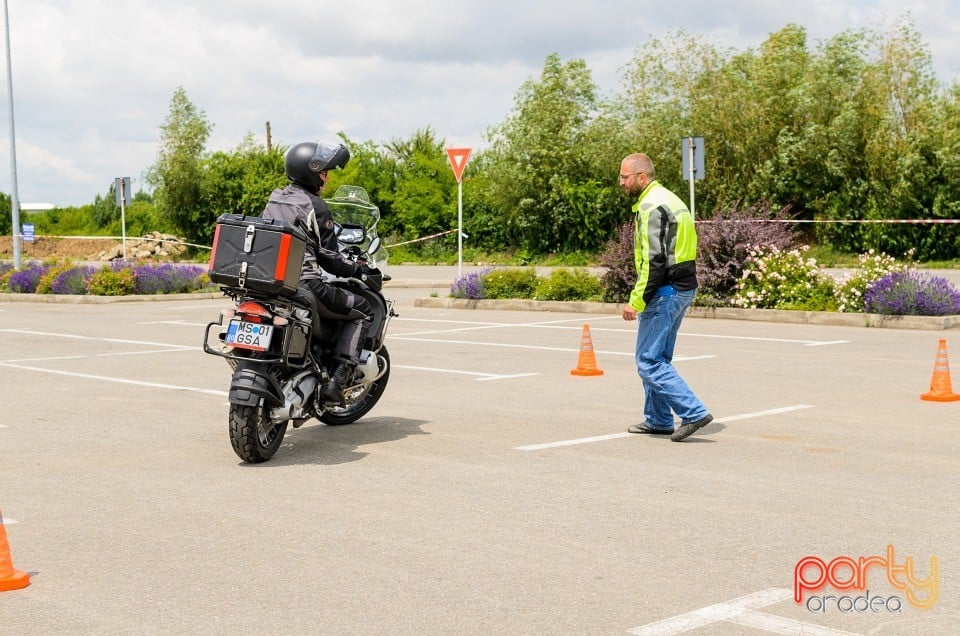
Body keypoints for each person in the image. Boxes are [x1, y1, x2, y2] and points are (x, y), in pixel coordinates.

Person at [261, 141, 381, 403]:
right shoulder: (315, 205)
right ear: (312, 173)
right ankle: (336, 381)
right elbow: (330, 261)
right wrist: (359, 269)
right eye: (324, 172)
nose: (326, 177)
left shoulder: (276, 198)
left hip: (269, 282)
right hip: (305, 284)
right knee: (363, 309)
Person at [618, 152, 713, 442]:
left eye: (625, 177)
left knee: (648, 361)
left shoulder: (651, 205)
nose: (621, 183)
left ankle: (693, 411)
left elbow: (655, 260)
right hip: (682, 286)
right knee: (658, 357)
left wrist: (636, 301)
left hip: (665, 290)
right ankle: (658, 420)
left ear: (641, 177)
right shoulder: (671, 199)